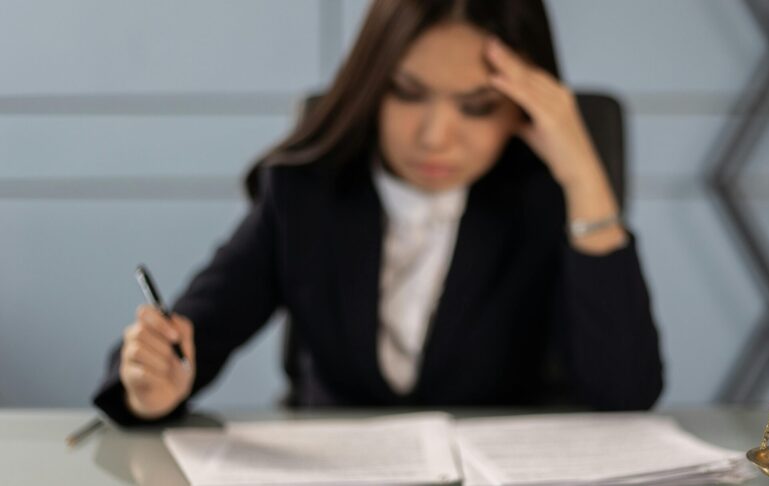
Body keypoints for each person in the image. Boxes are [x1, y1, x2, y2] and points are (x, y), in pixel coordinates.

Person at [93, 0, 663, 426]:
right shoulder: (303, 192)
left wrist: (586, 178)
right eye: (408, 94)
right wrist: (151, 386)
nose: (436, 137)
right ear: (371, 89)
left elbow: (626, 393)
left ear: (523, 107)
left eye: (477, 106)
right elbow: (187, 337)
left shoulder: (544, 200)